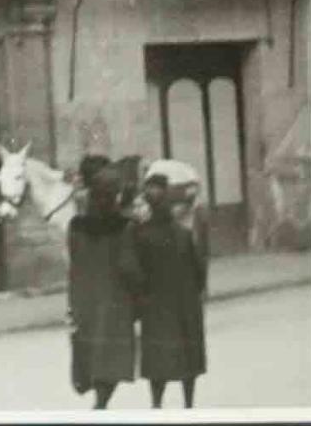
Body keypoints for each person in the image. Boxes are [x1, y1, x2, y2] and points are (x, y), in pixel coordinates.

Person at [66, 165, 142, 410]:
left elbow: (73, 261)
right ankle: (100, 404)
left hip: (82, 299)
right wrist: (140, 294)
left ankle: (98, 402)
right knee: (112, 358)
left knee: (90, 352)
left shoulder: (75, 226)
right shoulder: (125, 227)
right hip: (115, 301)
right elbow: (129, 266)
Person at [133, 169, 208, 409]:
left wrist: (139, 302)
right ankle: (189, 405)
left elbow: (135, 274)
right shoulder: (183, 234)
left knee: (158, 359)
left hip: (155, 307)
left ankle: (157, 405)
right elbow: (199, 271)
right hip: (185, 305)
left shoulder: (140, 235)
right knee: (188, 358)